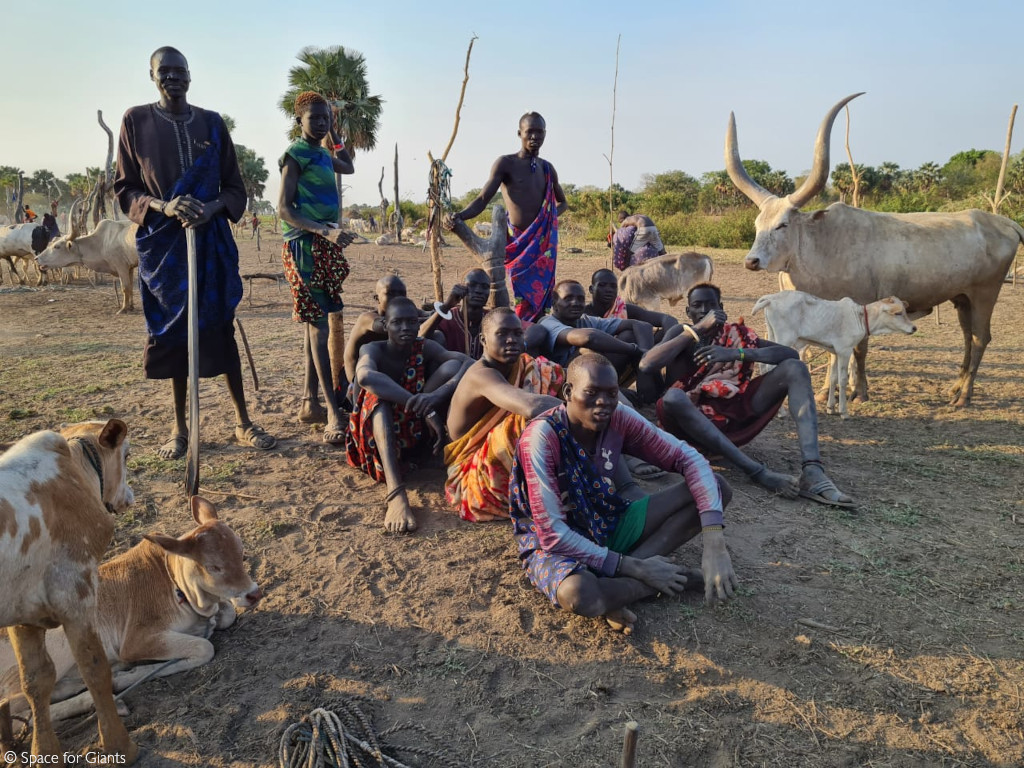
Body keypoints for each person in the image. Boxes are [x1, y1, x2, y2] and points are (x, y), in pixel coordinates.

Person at [114, 45, 276, 459]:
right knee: (173, 334)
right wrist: (163, 206)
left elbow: (235, 190)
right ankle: (180, 428)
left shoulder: (212, 123)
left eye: (179, 70)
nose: (172, 77)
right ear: (152, 76)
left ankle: (242, 421)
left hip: (210, 246)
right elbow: (126, 189)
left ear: (190, 75)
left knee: (220, 326)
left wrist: (211, 208)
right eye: (163, 71)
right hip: (165, 247)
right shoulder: (136, 121)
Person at [508, 354, 737, 633]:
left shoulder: (619, 419)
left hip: (608, 520)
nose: (603, 402)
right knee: (580, 595)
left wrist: (714, 539)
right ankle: (657, 578)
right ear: (568, 393)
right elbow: (552, 533)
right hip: (555, 545)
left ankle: (619, 589)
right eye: (591, 393)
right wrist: (636, 568)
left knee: (716, 486)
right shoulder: (542, 437)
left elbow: (688, 458)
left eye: (612, 394)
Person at [641, 283, 854, 507]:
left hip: (730, 419)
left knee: (795, 369)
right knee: (673, 397)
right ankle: (757, 472)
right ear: (688, 312)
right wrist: (699, 329)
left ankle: (813, 470)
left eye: (710, 305)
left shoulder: (735, 336)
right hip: (684, 424)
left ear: (721, 308)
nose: (704, 310)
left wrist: (736, 353)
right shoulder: (681, 333)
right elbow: (647, 364)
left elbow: (790, 354)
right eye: (697, 306)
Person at [346, 297, 472, 533]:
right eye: (398, 322)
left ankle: (432, 451)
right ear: (385, 325)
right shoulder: (372, 348)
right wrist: (421, 406)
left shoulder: (423, 346)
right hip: (376, 441)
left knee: (451, 367)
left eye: (411, 322)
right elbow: (364, 376)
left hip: (412, 431)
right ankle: (396, 493)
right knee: (377, 398)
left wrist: (434, 398)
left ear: (418, 324)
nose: (405, 328)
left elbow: (466, 363)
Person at [278, 91, 358, 445]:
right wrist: (325, 230)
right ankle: (331, 412)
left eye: (326, 117)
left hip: (323, 244)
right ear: (299, 121)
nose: (321, 122)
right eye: (315, 118)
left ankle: (312, 403)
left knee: (319, 323)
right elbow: (283, 208)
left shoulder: (324, 154)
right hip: (305, 244)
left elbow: (350, 166)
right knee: (317, 330)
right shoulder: (295, 155)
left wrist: (335, 134)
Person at [444, 308, 564, 522]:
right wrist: (583, 411)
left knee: (550, 375)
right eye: (502, 334)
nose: (511, 340)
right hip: (472, 474)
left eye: (518, 334)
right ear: (483, 339)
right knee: (523, 422)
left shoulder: (521, 365)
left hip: (490, 459)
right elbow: (530, 406)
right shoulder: (481, 374)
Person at [447, 112, 567, 322]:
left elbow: (562, 202)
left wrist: (548, 220)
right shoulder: (505, 163)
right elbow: (483, 198)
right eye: (529, 132)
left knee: (541, 294)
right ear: (519, 133)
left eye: (539, 132)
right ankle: (512, 326)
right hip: (516, 242)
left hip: (543, 243)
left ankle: (536, 329)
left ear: (545, 134)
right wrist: (460, 216)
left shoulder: (547, 169)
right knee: (515, 290)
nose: (534, 137)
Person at [584, 268, 679, 342]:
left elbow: (668, 319)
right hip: (598, 361)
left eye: (613, 286)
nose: (608, 290)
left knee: (680, 330)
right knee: (628, 335)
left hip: (631, 356)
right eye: (602, 285)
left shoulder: (624, 310)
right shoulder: (583, 315)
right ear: (591, 289)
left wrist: (664, 344)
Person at [421, 268, 491, 359]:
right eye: (472, 285)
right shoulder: (447, 318)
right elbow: (420, 339)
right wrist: (447, 305)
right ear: (461, 287)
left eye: (485, 287)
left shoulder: (492, 319)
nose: (478, 290)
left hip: (485, 372)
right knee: (438, 336)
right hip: (452, 371)